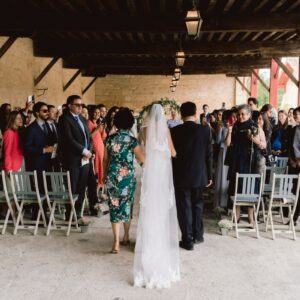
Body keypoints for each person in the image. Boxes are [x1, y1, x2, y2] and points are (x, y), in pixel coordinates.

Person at [134, 104, 180, 289]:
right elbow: (173, 152)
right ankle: (160, 247)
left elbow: (142, 153)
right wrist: (165, 154)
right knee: (161, 212)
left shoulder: (144, 130)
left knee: (149, 210)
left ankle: (148, 248)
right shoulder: (166, 131)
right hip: (162, 176)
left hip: (150, 174)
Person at [171, 102, 213, 250]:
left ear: (181, 115)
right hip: (199, 174)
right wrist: (209, 174)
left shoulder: (174, 131)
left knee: (184, 207)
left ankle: (187, 240)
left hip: (181, 175)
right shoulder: (205, 130)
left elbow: (171, 156)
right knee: (198, 205)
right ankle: (198, 235)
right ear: (195, 114)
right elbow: (209, 155)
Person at [103, 108, 144, 254]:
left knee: (114, 207)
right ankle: (126, 236)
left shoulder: (109, 139)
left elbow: (105, 159)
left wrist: (104, 176)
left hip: (113, 177)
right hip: (127, 178)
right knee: (127, 205)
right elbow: (142, 159)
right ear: (130, 123)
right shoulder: (132, 141)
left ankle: (116, 243)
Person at [58, 95, 96, 220]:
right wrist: (84, 151)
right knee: (73, 188)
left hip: (85, 159)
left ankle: (78, 213)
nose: (80, 107)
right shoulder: (64, 119)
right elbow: (69, 140)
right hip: (72, 159)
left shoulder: (81, 118)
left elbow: (89, 137)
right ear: (69, 105)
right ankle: (70, 214)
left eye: (81, 105)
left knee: (81, 187)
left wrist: (89, 152)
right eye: (77, 105)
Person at [225, 104, 259, 225]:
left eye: (243, 114)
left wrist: (251, 137)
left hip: (248, 161)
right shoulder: (235, 126)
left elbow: (260, 143)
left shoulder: (254, 125)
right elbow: (228, 143)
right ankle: (237, 216)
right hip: (236, 160)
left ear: (249, 114)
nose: (240, 116)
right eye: (239, 114)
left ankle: (251, 217)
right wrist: (229, 132)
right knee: (235, 187)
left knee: (248, 189)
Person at [87, 106, 107, 190]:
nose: (97, 114)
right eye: (95, 112)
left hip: (101, 148)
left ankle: (99, 188)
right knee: (96, 170)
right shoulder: (88, 123)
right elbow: (88, 137)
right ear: (91, 113)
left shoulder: (98, 123)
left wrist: (103, 129)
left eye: (99, 113)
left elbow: (103, 138)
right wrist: (96, 129)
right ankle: (95, 191)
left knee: (101, 168)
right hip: (95, 149)